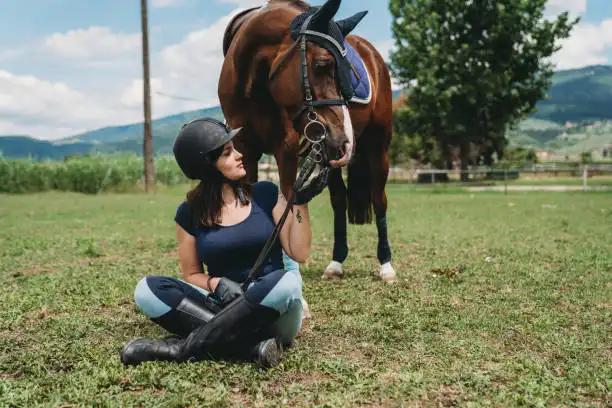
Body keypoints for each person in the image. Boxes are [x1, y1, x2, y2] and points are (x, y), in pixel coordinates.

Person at [119, 118, 329, 367]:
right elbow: (192, 273)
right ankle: (250, 347)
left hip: (273, 309)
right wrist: (216, 282)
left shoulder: (265, 194)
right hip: (221, 303)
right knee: (147, 289)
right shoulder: (189, 213)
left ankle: (181, 349)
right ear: (207, 166)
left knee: (287, 282)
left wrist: (301, 202)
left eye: (235, 148)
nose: (240, 155)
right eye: (228, 153)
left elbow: (299, 252)